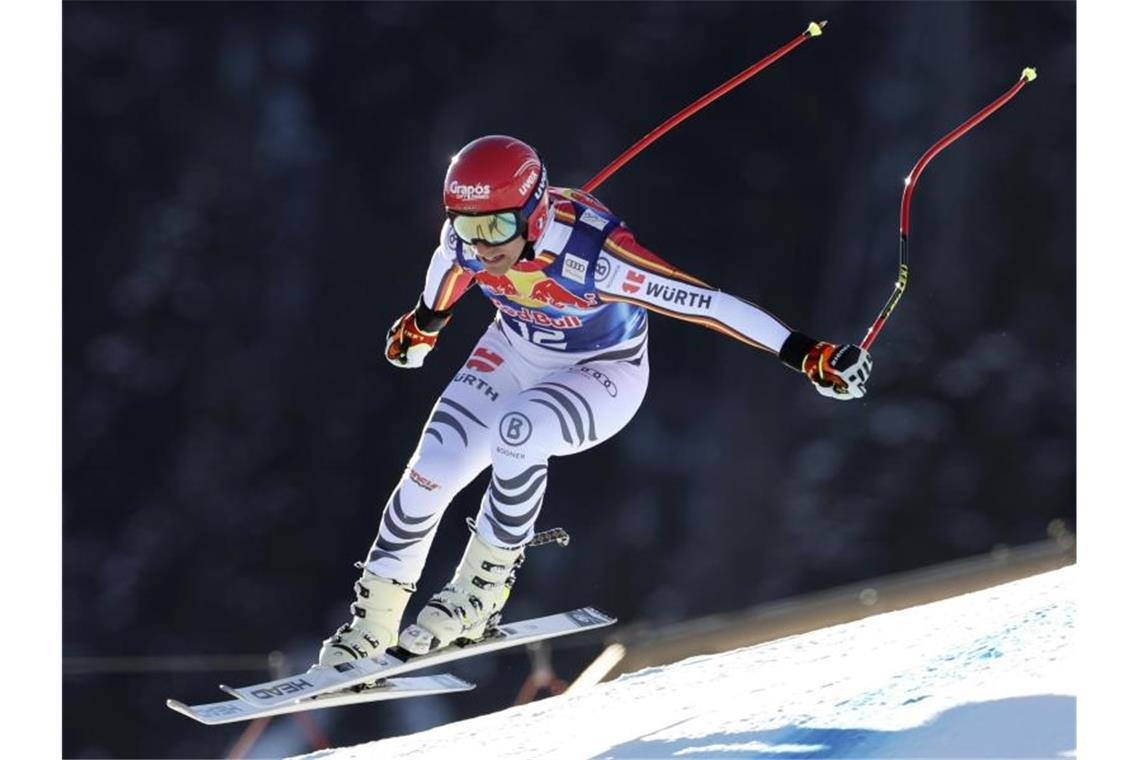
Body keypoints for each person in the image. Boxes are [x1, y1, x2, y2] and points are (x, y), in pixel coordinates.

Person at [318, 134, 872, 663]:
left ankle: (478, 593)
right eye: (466, 225)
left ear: (533, 213)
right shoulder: (468, 239)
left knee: (519, 431)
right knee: (431, 467)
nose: (482, 244)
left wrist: (806, 353)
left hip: (602, 373)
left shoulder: (600, 256)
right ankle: (370, 627)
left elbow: (706, 303)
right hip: (513, 348)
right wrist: (425, 323)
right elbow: (448, 267)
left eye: (496, 225)